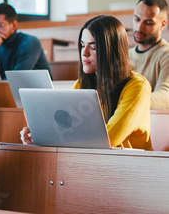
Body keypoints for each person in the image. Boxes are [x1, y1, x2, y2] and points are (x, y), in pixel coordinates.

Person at [20, 15, 152, 150]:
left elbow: (108, 138)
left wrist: (56, 135)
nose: (84, 53)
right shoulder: (81, 84)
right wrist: (40, 134)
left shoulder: (138, 86)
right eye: (82, 45)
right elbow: (67, 127)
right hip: (94, 160)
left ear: (111, 50)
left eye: (93, 47)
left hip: (132, 165)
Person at [0, 3, 51, 80]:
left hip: (39, 91)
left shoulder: (30, 42)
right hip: (14, 90)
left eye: (0, 25)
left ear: (14, 25)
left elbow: (16, 78)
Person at [129, 0, 169, 109]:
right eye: (137, 19)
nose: (139, 27)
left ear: (162, 24)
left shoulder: (166, 54)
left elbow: (166, 96)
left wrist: (129, 102)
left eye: (148, 23)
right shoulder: (124, 55)